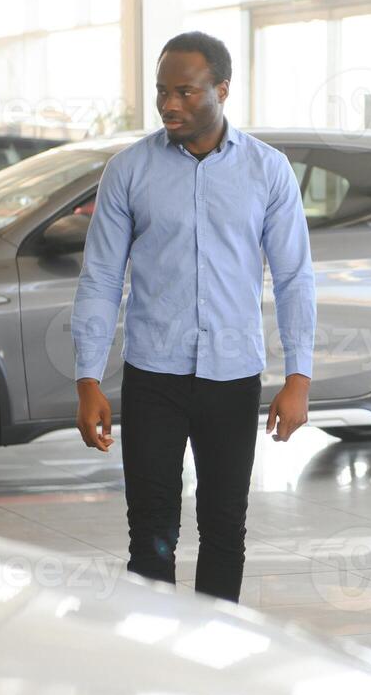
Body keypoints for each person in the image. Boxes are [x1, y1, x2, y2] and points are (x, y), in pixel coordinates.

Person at [71, 31, 316, 603]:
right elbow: (102, 278)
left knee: (225, 529)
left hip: (232, 376)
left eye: (184, 91)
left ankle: (215, 654)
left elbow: (294, 278)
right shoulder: (129, 171)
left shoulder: (268, 171)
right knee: (151, 530)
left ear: (222, 90)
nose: (168, 105)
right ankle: (156, 654)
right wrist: (87, 377)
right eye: (161, 91)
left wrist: (298, 377)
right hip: (153, 375)